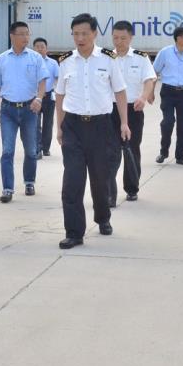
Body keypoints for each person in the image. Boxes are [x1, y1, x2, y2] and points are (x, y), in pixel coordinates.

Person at [55, 13, 130, 249]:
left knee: (100, 179)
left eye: (85, 33)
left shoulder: (108, 59)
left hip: (101, 126)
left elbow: (120, 92)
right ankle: (74, 232)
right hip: (73, 127)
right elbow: (60, 95)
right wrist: (59, 127)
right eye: (76, 34)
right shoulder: (66, 61)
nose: (80, 38)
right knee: (72, 182)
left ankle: (103, 217)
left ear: (95, 33)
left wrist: (124, 123)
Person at [0, 22, 48, 203]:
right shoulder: (1, 60)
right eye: (21, 34)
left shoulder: (35, 58)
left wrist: (39, 98)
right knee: (7, 150)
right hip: (8, 110)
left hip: (29, 109)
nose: (25, 37)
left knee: (31, 150)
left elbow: (43, 81)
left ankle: (29, 181)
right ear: (12, 36)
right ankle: (7, 188)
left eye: (27, 34)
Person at [107, 21, 156, 206]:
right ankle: (109, 192)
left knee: (131, 150)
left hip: (133, 109)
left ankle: (132, 188)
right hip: (109, 110)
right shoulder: (106, 57)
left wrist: (143, 97)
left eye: (123, 38)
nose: (119, 42)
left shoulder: (140, 58)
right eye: (115, 38)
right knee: (110, 151)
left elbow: (149, 80)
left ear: (131, 38)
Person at [152, 26, 183, 165]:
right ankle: (163, 152)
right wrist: (150, 92)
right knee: (168, 122)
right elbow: (154, 72)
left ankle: (180, 156)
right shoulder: (165, 52)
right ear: (178, 38)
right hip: (168, 92)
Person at [32, 37, 59, 159]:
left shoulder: (53, 63)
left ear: (46, 49)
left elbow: (58, 79)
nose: (39, 49)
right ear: (33, 49)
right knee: (35, 124)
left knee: (48, 124)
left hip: (48, 97)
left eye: (42, 47)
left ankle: (46, 148)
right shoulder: (30, 62)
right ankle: (37, 148)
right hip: (34, 97)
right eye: (37, 47)